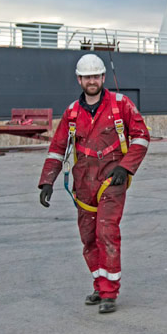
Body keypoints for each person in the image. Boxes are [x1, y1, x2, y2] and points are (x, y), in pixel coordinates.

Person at [38, 54, 150, 314]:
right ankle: (100, 285)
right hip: (83, 182)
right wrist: (46, 182)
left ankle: (111, 293)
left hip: (112, 178)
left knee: (106, 231)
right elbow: (57, 148)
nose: (92, 81)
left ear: (103, 78)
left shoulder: (121, 105)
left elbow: (142, 137)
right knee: (88, 237)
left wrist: (126, 167)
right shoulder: (72, 113)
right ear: (79, 79)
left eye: (96, 76)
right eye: (87, 77)